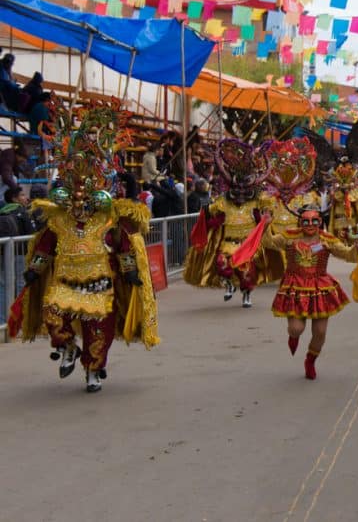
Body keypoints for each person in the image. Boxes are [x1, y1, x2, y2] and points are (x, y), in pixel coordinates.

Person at [6, 102, 159, 393]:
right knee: (53, 315)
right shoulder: (59, 219)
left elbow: (122, 245)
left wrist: (129, 272)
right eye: (73, 196)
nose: (79, 203)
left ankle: (92, 370)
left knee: (97, 331)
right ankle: (67, 348)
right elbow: (46, 247)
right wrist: (35, 271)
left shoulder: (107, 218)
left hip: (100, 284)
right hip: (64, 282)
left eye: (85, 196)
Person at [235, 205, 358, 379]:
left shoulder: (327, 240)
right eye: (306, 220)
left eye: (314, 220)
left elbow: (349, 255)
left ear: (320, 221)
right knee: (296, 329)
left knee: (320, 332)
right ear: (300, 221)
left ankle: (310, 360)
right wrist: (265, 225)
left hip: (320, 288)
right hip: (295, 288)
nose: (310, 224)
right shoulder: (290, 237)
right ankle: (293, 336)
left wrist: (356, 247)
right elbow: (268, 242)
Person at [184, 139, 283, 308]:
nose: (240, 194)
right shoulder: (224, 204)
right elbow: (213, 219)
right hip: (227, 243)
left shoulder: (255, 204)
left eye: (245, 190)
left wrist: (266, 219)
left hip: (248, 245)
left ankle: (246, 295)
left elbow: (266, 215)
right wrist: (208, 215)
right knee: (222, 262)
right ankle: (228, 284)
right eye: (237, 190)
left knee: (246, 271)